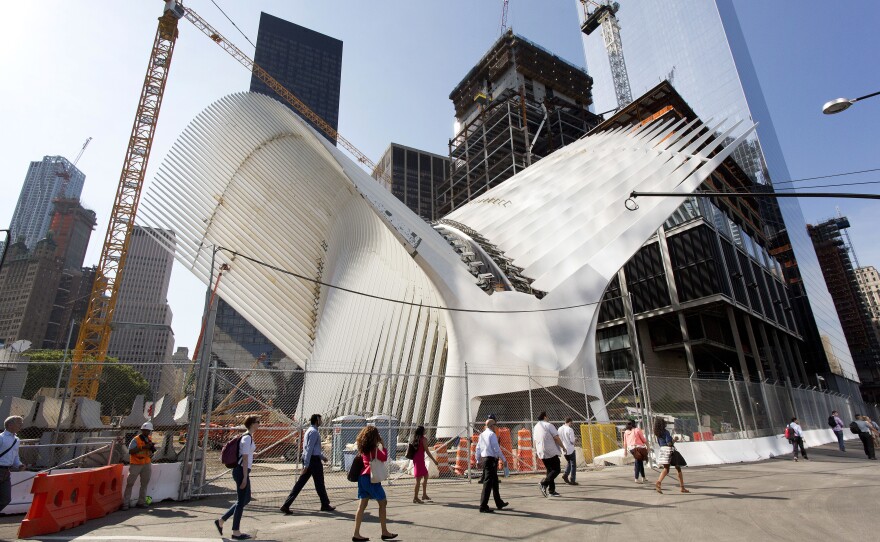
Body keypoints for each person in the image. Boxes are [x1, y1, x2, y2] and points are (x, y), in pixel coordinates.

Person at [215, 415, 259, 540]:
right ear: (252, 424)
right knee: (241, 501)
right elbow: (244, 458)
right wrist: (245, 477)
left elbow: (246, 455)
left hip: (242, 470)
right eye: (257, 422)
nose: (259, 424)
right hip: (241, 471)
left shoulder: (248, 437)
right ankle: (235, 531)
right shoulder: (247, 438)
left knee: (246, 499)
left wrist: (253, 454)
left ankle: (222, 520)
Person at [280, 414, 334, 514]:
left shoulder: (309, 430)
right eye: (320, 419)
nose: (321, 421)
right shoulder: (314, 432)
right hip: (313, 461)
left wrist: (321, 457)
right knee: (319, 483)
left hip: (309, 459)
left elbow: (311, 449)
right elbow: (310, 449)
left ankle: (286, 504)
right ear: (317, 420)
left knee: (300, 483)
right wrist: (306, 465)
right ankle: (325, 504)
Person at [353, 426, 397, 542]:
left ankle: (356, 533)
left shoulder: (363, 448)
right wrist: (384, 445)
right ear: (374, 437)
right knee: (383, 502)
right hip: (371, 478)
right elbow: (383, 457)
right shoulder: (374, 449)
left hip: (362, 477)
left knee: (362, 506)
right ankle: (384, 532)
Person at [474, 418, 509, 513]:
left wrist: (478, 460)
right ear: (493, 426)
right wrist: (504, 459)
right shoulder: (492, 435)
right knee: (488, 483)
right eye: (496, 425)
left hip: (485, 459)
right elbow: (496, 449)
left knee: (494, 482)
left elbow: (478, 448)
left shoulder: (482, 435)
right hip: (491, 460)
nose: (496, 427)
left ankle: (499, 502)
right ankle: (483, 505)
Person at [123, 422, 156, 511]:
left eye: (149, 431)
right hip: (136, 463)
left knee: (144, 483)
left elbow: (150, 452)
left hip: (146, 463)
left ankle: (141, 502)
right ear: (142, 430)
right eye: (145, 430)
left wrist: (151, 451)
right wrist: (143, 447)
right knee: (130, 483)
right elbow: (131, 451)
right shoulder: (136, 439)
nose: (147, 432)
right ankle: (125, 503)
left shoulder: (149, 439)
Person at [653, 418, 688, 494]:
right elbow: (669, 443)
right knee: (678, 467)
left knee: (666, 469)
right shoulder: (666, 432)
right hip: (669, 451)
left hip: (662, 451)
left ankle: (658, 482)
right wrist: (674, 439)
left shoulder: (657, 433)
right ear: (663, 424)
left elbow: (660, 443)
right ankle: (682, 487)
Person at [533, 412, 564, 497]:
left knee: (550, 470)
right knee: (556, 469)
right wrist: (563, 447)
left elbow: (535, 440)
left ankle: (551, 490)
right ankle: (544, 483)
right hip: (550, 451)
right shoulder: (549, 425)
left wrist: (535, 451)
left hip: (541, 451)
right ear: (545, 417)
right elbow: (556, 438)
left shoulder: (536, 427)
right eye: (547, 416)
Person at [0, 416, 27, 514]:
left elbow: (15, 455)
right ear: (10, 425)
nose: (21, 425)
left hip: (6, 471)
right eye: (19, 423)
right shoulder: (1, 438)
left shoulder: (16, 440)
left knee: (6, 499)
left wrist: (19, 465)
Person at [409, 426, 438, 504]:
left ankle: (424, 494)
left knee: (425, 475)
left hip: (417, 459)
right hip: (420, 460)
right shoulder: (423, 439)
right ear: (422, 431)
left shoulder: (415, 439)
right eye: (424, 430)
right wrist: (434, 460)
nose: (425, 431)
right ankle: (415, 497)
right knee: (418, 480)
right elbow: (427, 451)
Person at [622, 420, 649, 484]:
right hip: (639, 448)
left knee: (640, 462)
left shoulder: (626, 432)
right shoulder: (637, 430)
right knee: (638, 462)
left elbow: (625, 443)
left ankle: (643, 477)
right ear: (634, 424)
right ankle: (636, 478)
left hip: (631, 449)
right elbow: (643, 439)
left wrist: (625, 451)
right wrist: (648, 447)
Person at [558, 418, 578, 486]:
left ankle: (565, 475)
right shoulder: (570, 429)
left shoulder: (560, 428)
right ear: (569, 422)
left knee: (569, 462)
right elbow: (572, 441)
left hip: (563, 448)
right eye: (571, 423)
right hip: (570, 448)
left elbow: (559, 438)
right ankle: (572, 479)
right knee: (573, 464)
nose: (571, 424)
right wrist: (575, 439)